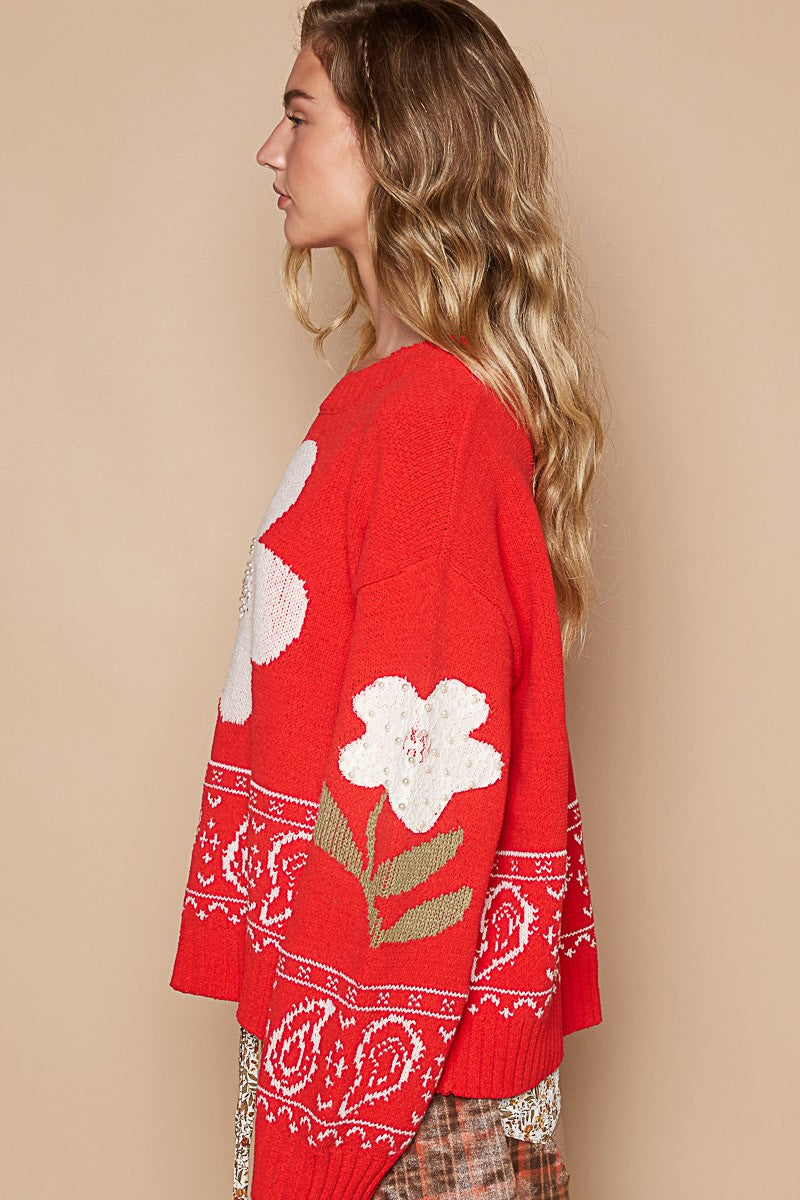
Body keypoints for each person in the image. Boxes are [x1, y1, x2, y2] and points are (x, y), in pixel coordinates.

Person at [169, 3, 607, 1198]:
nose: (269, 149)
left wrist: (321, 1123)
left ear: (397, 145)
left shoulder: (431, 422)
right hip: (391, 1067)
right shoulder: (390, 397)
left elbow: (418, 801)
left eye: (300, 114)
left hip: (404, 1090)